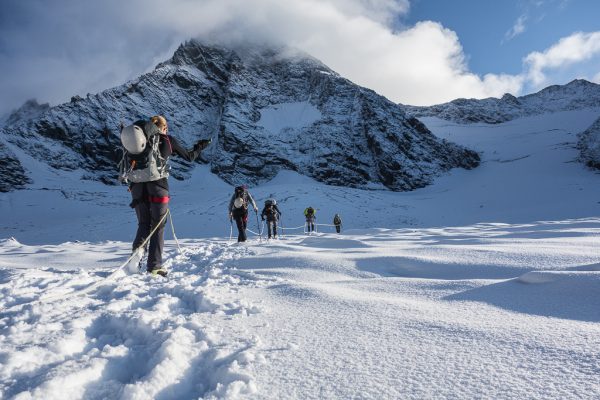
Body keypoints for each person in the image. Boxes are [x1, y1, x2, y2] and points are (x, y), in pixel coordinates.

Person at [126, 115, 210, 276]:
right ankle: (155, 267)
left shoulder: (139, 142)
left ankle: (136, 254)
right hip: (158, 186)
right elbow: (189, 156)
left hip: (136, 186)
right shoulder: (168, 140)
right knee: (158, 225)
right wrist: (200, 146)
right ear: (164, 128)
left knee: (143, 223)